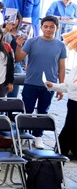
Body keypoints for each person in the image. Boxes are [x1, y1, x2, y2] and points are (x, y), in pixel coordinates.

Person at [15, 16, 67, 148]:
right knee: (27, 110)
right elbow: (18, 58)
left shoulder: (60, 45)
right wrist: (18, 46)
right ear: (41, 27)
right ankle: (22, 134)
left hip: (49, 85)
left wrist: (60, 87)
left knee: (43, 111)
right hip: (31, 82)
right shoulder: (32, 42)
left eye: (52, 27)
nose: (48, 29)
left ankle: (38, 135)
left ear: (57, 28)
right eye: (46, 26)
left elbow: (61, 67)